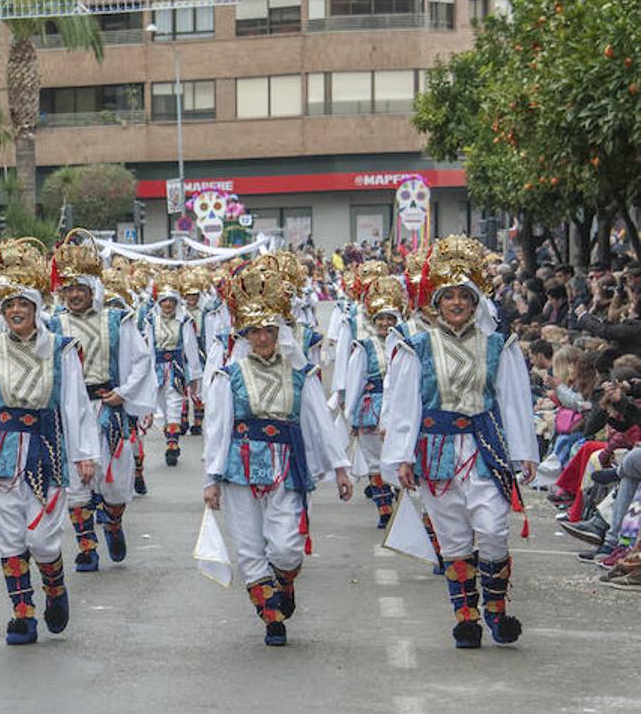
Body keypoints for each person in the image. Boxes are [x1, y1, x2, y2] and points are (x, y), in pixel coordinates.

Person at [382, 236, 538, 650]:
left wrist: (524, 452)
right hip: (436, 452)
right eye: (447, 296)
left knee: (492, 529)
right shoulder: (416, 347)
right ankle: (466, 618)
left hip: (485, 448)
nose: (455, 303)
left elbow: (514, 399)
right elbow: (405, 405)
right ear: (437, 302)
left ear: (474, 301)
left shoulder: (497, 345)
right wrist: (400, 457)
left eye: (462, 296)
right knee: (452, 539)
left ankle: (497, 609)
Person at [0, 240, 98, 645]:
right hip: (3, 456)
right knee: (10, 537)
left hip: (47, 451)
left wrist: (84, 453)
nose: (16, 311)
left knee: (43, 539)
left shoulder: (61, 351)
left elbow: (76, 405)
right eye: (9, 305)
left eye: (24, 304)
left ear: (36, 309)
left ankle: (54, 587)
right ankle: (23, 612)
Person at [202, 257, 353, 647]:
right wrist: (212, 479)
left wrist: (340, 467)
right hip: (239, 468)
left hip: (287, 466)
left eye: (269, 329)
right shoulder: (228, 375)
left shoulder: (301, 374)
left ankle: (282, 578)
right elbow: (217, 429)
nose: (263, 337)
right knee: (249, 545)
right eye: (255, 330)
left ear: (280, 331)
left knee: (286, 547)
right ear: (245, 333)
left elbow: (319, 419)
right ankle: (271, 618)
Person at [49, 235, 155, 573]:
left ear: (93, 287)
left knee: (115, 485)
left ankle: (112, 522)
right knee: (75, 482)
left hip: (108, 407)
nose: (75, 294)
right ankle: (86, 546)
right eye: (69, 289)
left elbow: (141, 360)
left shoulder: (115, 320)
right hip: (69, 413)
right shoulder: (52, 326)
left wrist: (124, 392)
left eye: (81, 287)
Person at [343, 275, 405, 530]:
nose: (385, 323)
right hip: (370, 409)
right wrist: (351, 415)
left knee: (399, 459)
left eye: (390, 318)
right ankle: (384, 508)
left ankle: (401, 507)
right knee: (375, 462)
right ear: (373, 320)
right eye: (380, 318)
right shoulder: (364, 346)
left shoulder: (405, 344)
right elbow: (355, 381)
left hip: (398, 408)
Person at [149, 269, 202, 468]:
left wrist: (195, 375)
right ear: (159, 302)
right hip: (156, 369)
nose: (168, 304)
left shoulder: (185, 321)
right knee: (162, 406)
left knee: (174, 404)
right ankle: (169, 435)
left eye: (171, 300)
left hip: (177, 368)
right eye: (165, 301)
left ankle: (172, 443)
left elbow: (191, 348)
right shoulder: (150, 321)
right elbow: (148, 349)